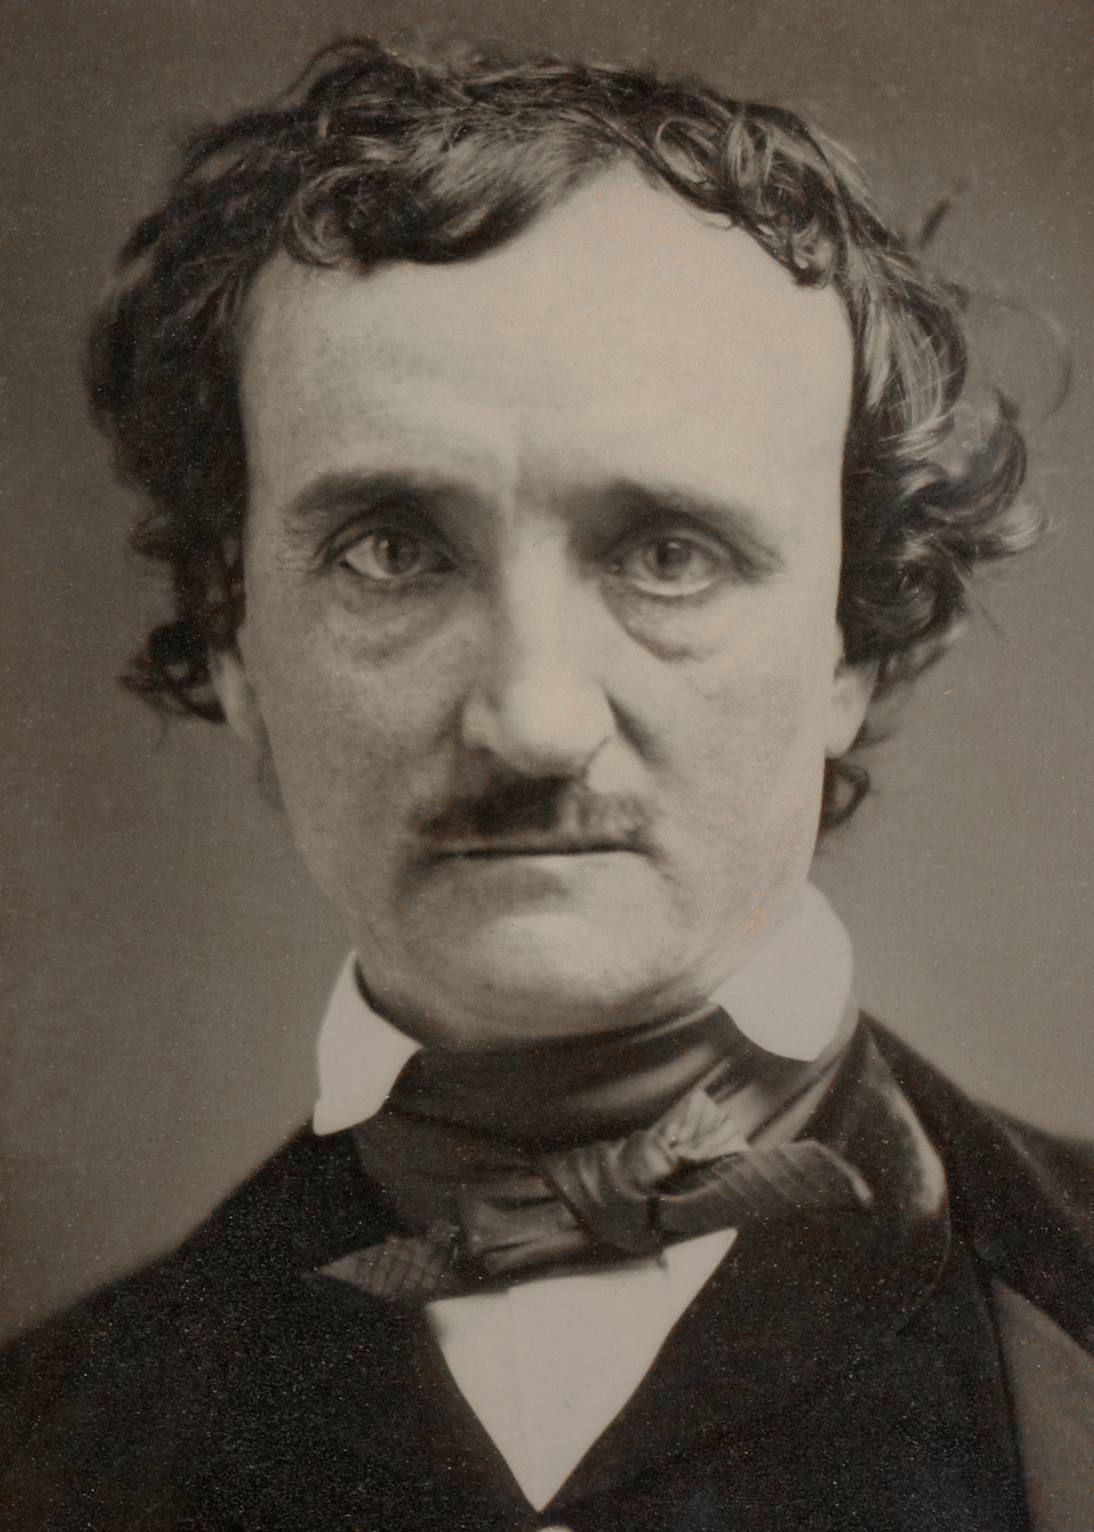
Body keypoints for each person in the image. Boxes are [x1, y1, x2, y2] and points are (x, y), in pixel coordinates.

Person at [2, 36, 1092, 1532]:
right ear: (235, 639)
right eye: (393, 551)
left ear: (857, 639)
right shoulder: (45, 1450)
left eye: (668, 554)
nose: (530, 719)